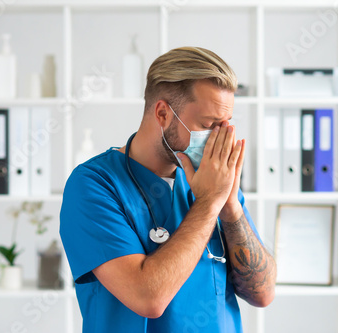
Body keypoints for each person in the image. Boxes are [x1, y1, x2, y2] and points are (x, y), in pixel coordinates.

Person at [59, 46, 276, 333]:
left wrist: (230, 207)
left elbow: (261, 293)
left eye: (225, 125)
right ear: (163, 113)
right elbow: (148, 297)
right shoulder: (94, 185)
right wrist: (210, 202)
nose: (218, 139)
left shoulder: (214, 180)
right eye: (208, 125)